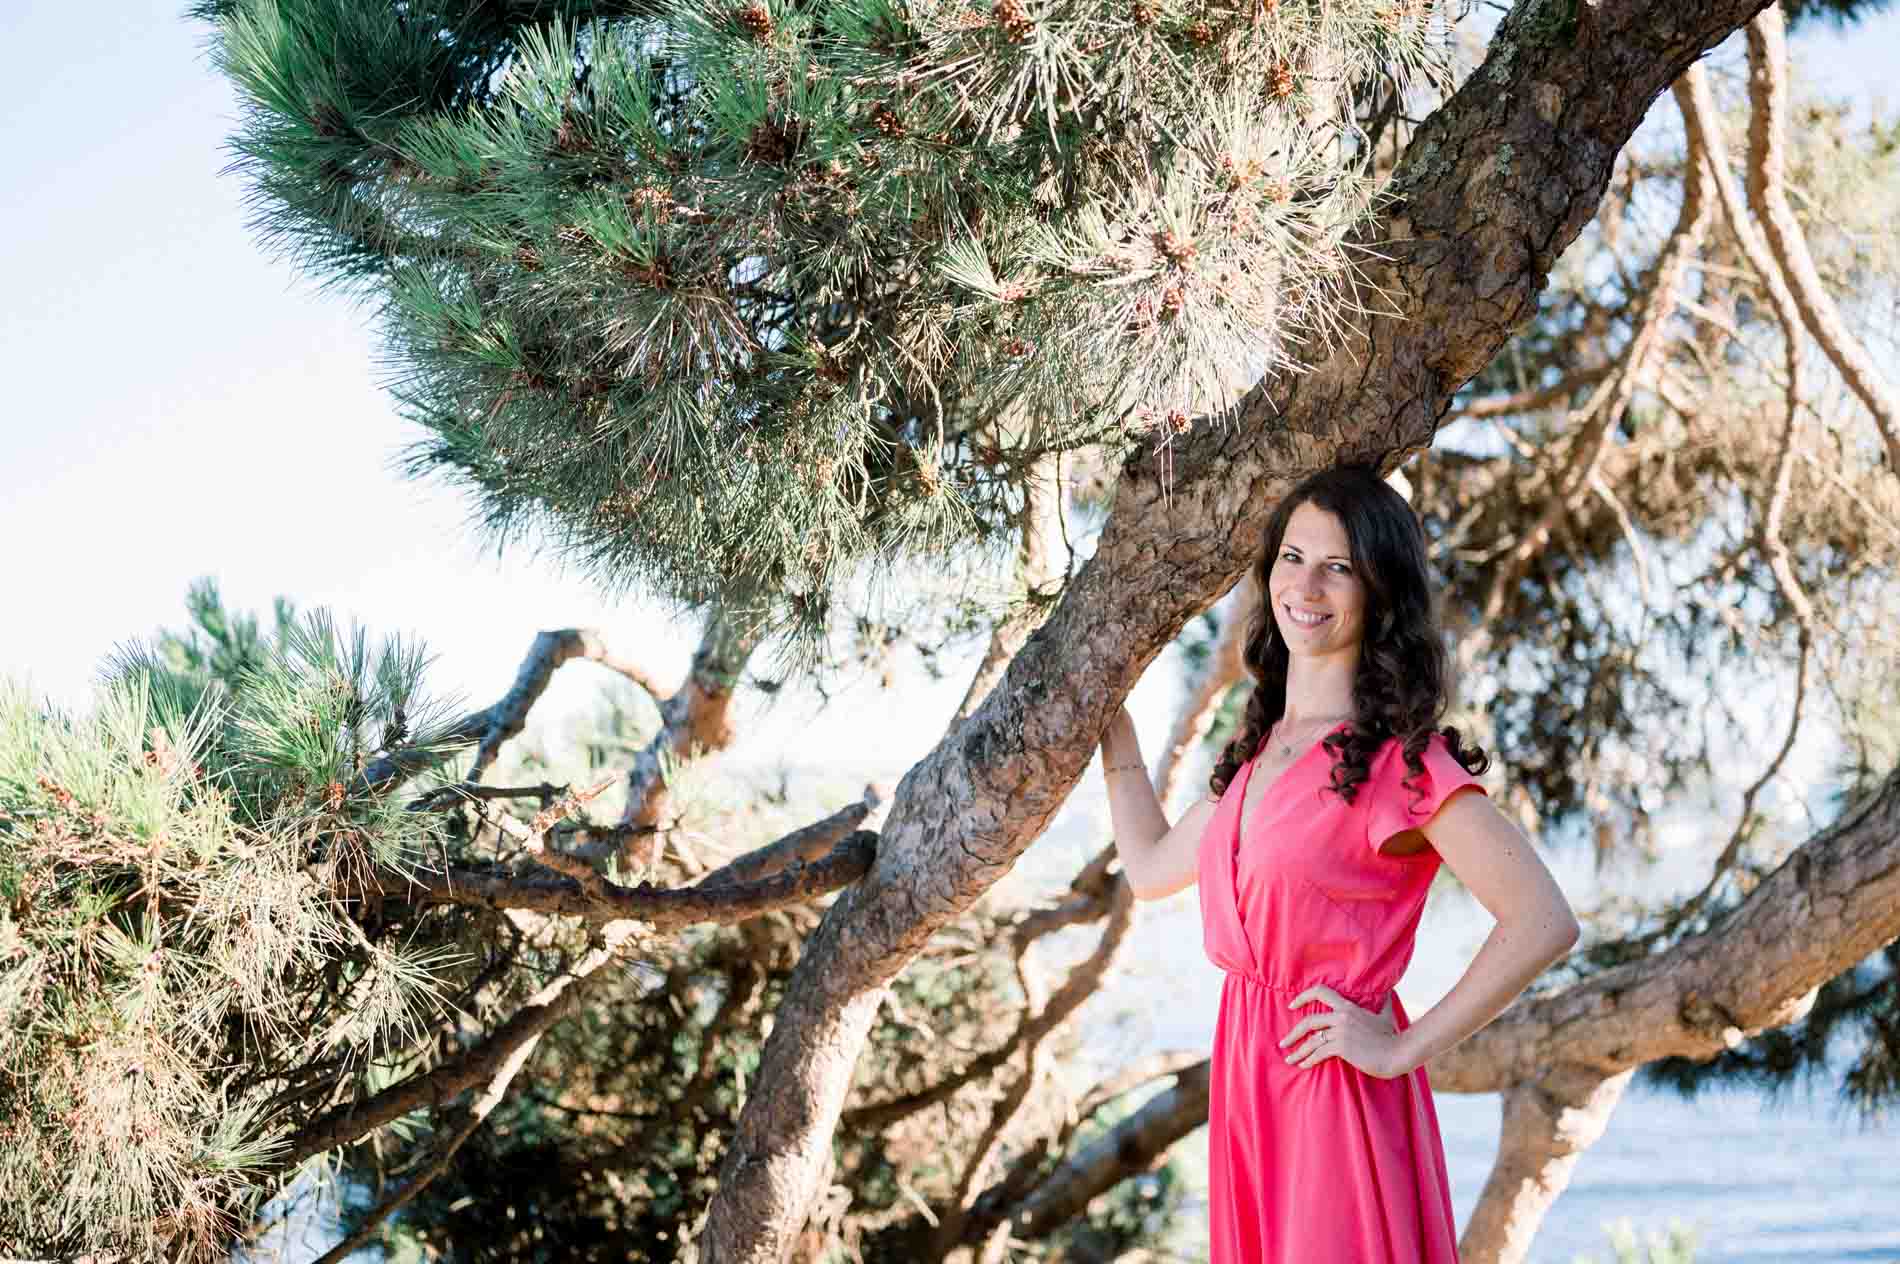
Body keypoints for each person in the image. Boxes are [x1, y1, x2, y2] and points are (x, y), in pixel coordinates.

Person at [1097, 464, 1580, 1264]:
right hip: (1249, 1074)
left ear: (1378, 591)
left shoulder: (1404, 764)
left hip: (1333, 1084)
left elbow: (1542, 922)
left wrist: (1400, 1046)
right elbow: (1149, 870)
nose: (1306, 584)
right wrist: (1111, 729)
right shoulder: (1256, 758)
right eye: (1292, 557)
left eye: (1339, 566)